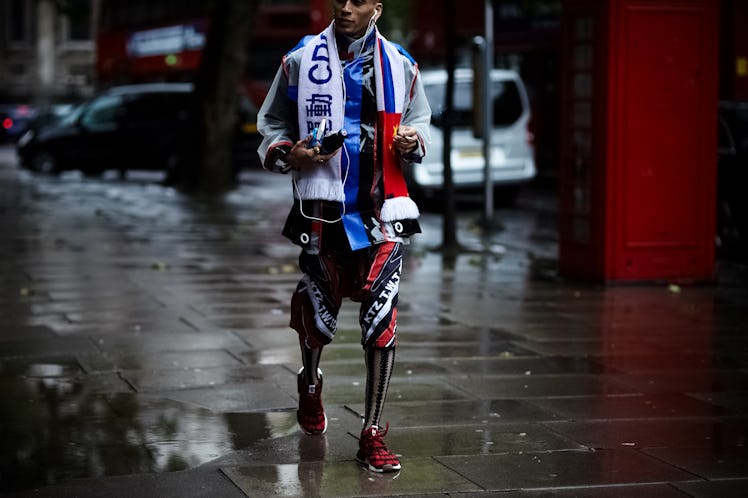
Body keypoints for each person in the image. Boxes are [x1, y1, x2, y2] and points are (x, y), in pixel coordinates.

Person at [257, 0, 431, 473]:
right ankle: (310, 381)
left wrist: (414, 141)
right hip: (322, 216)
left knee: (381, 320)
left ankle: (372, 432)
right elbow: (271, 124)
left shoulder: (401, 65)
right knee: (319, 319)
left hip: (382, 215)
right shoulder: (300, 60)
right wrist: (287, 152)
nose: (344, 6)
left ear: (377, 5)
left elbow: (420, 124)